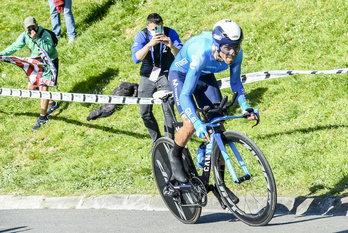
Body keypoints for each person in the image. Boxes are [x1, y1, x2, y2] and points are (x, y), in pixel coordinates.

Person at [168, 19, 259, 183]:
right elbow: (185, 95)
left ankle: (221, 186)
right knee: (189, 123)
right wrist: (197, 123)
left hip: (204, 76)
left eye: (235, 46)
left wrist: (245, 107)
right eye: (227, 48)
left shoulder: (237, 54)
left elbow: (236, 82)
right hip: (182, 76)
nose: (232, 52)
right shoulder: (201, 52)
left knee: (219, 128)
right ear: (217, 45)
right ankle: (175, 156)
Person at [0, 17, 60, 131]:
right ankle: (52, 103)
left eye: (33, 26)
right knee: (31, 88)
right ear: (25, 28)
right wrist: (1, 55)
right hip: (36, 62)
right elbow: (14, 46)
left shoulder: (44, 34)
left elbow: (50, 50)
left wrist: (37, 39)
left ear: (37, 25)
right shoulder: (24, 35)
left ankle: (43, 117)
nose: (32, 29)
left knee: (43, 87)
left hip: (49, 62)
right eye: (29, 28)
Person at [131, 13, 183, 143]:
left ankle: (169, 141)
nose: (158, 31)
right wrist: (149, 44)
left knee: (168, 108)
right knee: (144, 111)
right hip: (148, 74)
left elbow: (182, 57)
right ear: (148, 28)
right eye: (154, 29)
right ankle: (156, 142)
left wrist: (171, 46)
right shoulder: (142, 35)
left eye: (160, 27)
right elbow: (136, 58)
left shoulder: (170, 33)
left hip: (166, 72)